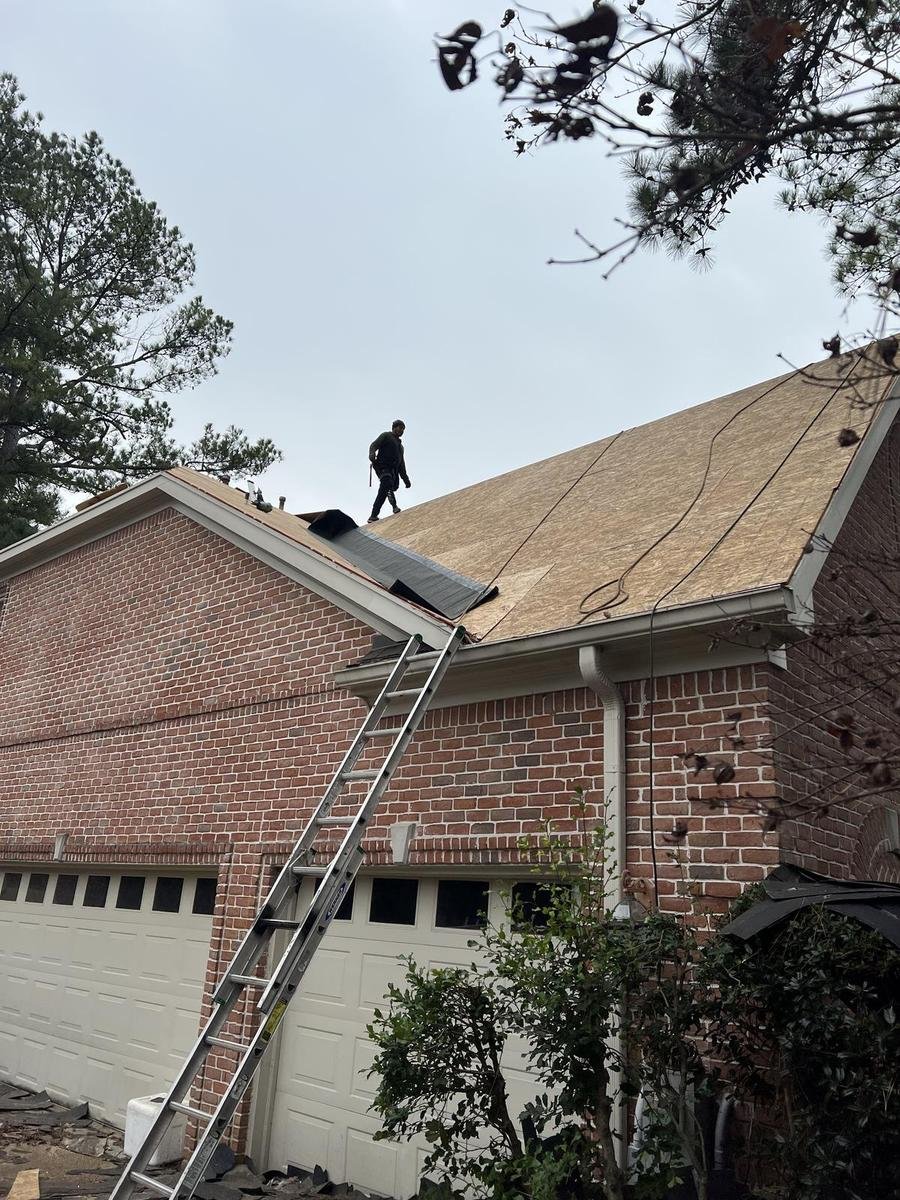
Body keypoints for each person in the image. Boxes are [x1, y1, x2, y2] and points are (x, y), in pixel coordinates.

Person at [368, 420, 411, 522]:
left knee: (385, 490)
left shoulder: (401, 447)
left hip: (393, 471)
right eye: (400, 427)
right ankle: (394, 506)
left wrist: (406, 479)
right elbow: (374, 445)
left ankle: (373, 516)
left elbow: (401, 464)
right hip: (382, 467)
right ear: (394, 427)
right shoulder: (386, 436)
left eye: (403, 429)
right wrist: (371, 454)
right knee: (387, 483)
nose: (401, 430)